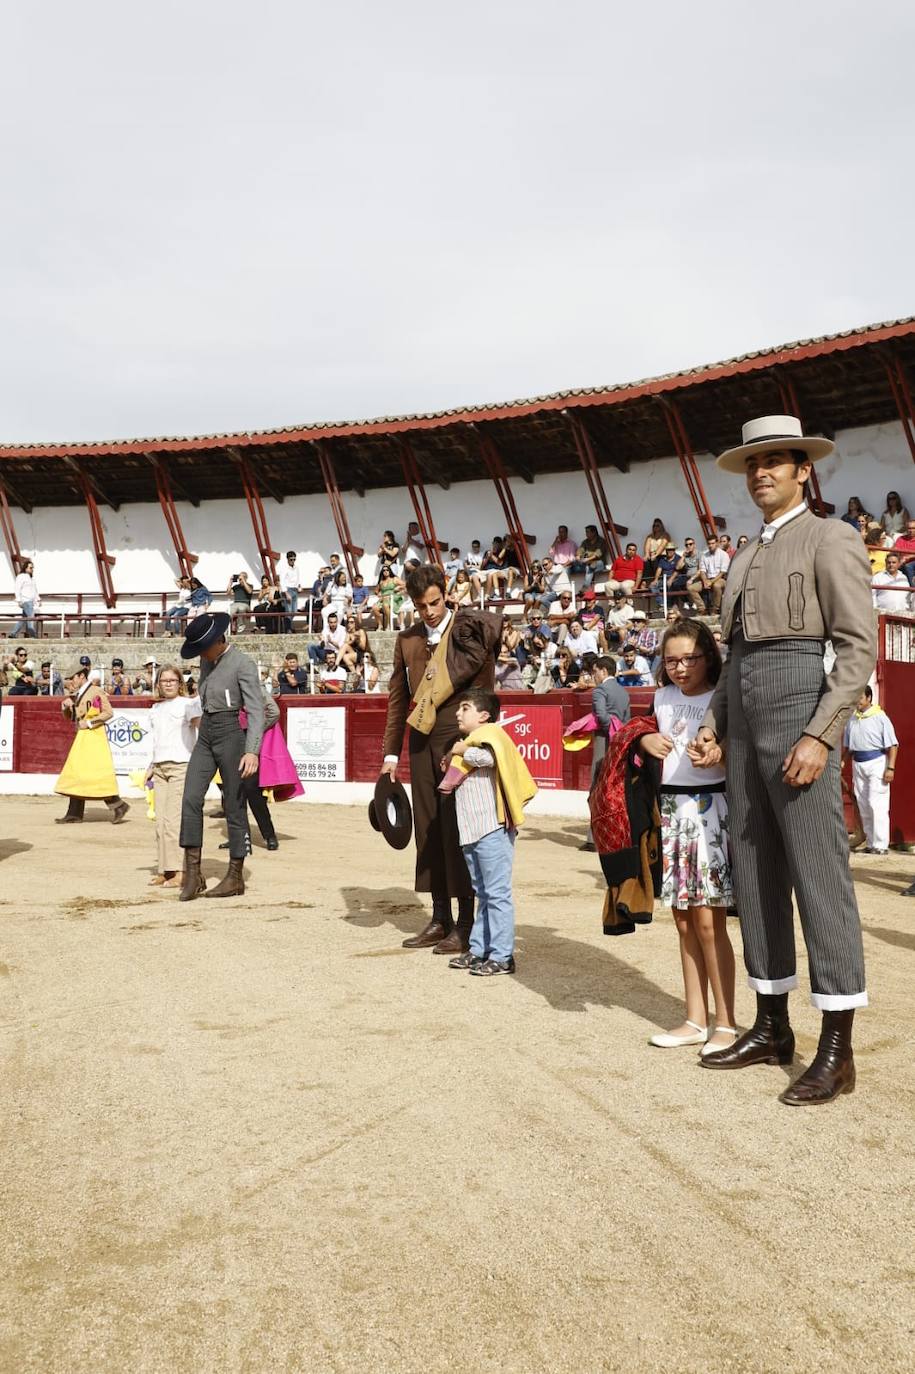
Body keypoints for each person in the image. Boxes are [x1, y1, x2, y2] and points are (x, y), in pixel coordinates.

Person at [693, 414, 875, 1106]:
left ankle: (837, 1047)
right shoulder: (739, 558)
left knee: (817, 875)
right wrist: (714, 724)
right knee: (756, 872)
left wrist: (819, 733)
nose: (760, 472)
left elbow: (856, 648)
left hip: (801, 709)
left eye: (774, 461)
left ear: (803, 469)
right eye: (751, 463)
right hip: (743, 721)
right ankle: (771, 1025)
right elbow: (734, 658)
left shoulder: (833, 537)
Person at [381, 564, 502, 955]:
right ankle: (439, 918)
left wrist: (474, 742)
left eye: (434, 602)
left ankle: (466, 924)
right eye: (421, 606)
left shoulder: (468, 630)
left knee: (458, 830)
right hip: (420, 740)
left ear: (445, 593)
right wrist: (389, 754)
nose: (429, 611)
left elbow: (485, 691)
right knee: (429, 828)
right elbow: (399, 700)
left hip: (458, 741)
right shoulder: (408, 640)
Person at [640, 622, 737, 1054]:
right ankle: (695, 1018)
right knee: (682, 920)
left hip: (711, 809)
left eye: (689, 659)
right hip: (672, 811)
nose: (680, 669)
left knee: (708, 921)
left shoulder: (723, 697)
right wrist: (644, 738)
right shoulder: (660, 698)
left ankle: (727, 1023)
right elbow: (628, 736)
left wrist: (719, 752)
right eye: (672, 660)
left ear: (708, 657)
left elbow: (741, 749)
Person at [440, 688, 537, 975]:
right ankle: (480, 950)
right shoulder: (475, 740)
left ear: (484, 715)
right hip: (473, 828)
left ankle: (503, 956)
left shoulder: (493, 736)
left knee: (496, 894)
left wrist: (461, 751)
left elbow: (491, 759)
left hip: (491, 828)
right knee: (483, 892)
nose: (459, 713)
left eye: (465, 708)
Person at [177, 612, 264, 901]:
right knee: (190, 797)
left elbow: (256, 710)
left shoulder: (243, 664)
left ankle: (235, 877)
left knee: (235, 805)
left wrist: (252, 750)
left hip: (230, 734)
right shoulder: (206, 660)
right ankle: (193, 873)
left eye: (203, 647)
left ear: (218, 641)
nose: (200, 654)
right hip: (207, 731)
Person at [144, 665, 202, 887]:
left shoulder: (189, 705)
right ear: (158, 683)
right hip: (160, 768)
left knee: (173, 821)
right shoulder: (155, 709)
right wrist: (151, 764)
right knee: (160, 822)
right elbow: (158, 740)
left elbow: (201, 727)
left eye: (172, 680)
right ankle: (165, 869)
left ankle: (181, 870)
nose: (168, 684)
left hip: (181, 766)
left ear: (180, 684)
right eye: (164, 680)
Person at [54, 666, 129, 824]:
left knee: (92, 774)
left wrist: (88, 723)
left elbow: (108, 712)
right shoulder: (78, 694)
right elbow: (73, 718)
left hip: (94, 737)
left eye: (73, 677)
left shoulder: (95, 691)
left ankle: (118, 805)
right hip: (84, 737)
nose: (71, 682)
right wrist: (66, 708)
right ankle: (74, 813)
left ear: (81, 676)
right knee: (78, 773)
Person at [580, 655, 632, 852]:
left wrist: (609, 729)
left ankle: (593, 839)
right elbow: (627, 719)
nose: (594, 676)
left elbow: (601, 715)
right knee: (615, 785)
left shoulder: (600, 690)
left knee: (597, 785)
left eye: (595, 672)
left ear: (603, 671)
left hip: (604, 739)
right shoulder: (623, 692)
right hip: (620, 741)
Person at [842, 688, 898, 856]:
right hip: (858, 764)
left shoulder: (881, 717)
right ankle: (871, 842)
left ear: (869, 697)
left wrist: (891, 768)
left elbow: (893, 745)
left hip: (877, 763)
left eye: (860, 697)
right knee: (864, 804)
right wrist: (843, 761)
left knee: (877, 803)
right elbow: (849, 747)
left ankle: (881, 844)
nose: (857, 700)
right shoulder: (853, 719)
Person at [695, 534, 730, 613]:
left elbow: (722, 572)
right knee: (691, 588)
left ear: (717, 543)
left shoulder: (724, 555)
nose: (710, 545)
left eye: (713, 543)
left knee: (716, 585)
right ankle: (702, 608)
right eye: (709, 544)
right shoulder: (704, 555)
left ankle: (715, 608)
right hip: (708, 579)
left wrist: (711, 581)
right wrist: (705, 581)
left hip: (720, 579)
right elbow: (702, 570)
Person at [11, 559, 39, 639]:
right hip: (26, 601)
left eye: (32, 568)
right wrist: (19, 600)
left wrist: (38, 599)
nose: (32, 569)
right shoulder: (21, 577)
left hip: (31, 601)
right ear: (25, 568)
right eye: (30, 568)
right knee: (30, 619)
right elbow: (17, 589)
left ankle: (13, 634)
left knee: (24, 619)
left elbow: (35, 590)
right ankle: (34, 635)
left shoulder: (31, 578)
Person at [278, 552, 301, 629]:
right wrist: (286, 593)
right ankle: (288, 628)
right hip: (288, 590)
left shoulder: (296, 568)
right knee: (289, 610)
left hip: (294, 589)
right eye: (291, 559)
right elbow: (282, 581)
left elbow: (297, 578)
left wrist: (299, 586)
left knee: (294, 611)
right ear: (287, 559)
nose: (293, 561)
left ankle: (288, 626)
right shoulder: (284, 569)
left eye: (294, 559)